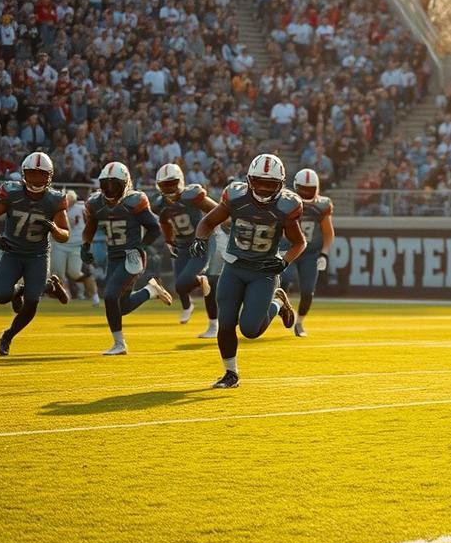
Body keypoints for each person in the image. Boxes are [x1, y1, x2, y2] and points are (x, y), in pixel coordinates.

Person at [191, 154, 305, 389]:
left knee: (250, 329)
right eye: (259, 182)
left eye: (269, 184)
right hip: (234, 266)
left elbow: (299, 242)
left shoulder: (286, 207)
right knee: (225, 323)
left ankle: (278, 303)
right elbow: (207, 222)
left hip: (263, 272)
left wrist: (283, 262)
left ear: (280, 184)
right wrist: (200, 239)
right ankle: (230, 374)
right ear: (250, 180)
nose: (263, 189)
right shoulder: (236, 198)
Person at [0, 153, 71, 355]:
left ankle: (7, 336)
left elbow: (65, 235)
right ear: (24, 174)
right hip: (13, 253)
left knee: (32, 301)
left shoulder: (55, 200)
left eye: (41, 175)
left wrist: (55, 229)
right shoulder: (12, 193)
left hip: (37, 256)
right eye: (32, 174)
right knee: (1, 295)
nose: (36, 180)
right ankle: (47, 286)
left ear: (49, 177)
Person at [83, 162, 172, 355]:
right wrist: (85, 245)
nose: (109, 189)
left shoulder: (134, 201)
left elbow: (154, 228)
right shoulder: (96, 203)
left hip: (132, 257)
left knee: (109, 295)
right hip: (114, 257)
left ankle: (119, 344)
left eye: (114, 185)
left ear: (125, 184)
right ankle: (151, 290)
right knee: (121, 307)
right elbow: (90, 226)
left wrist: (141, 246)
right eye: (106, 185)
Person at [152, 164, 218, 338]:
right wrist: (169, 241)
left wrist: (216, 230)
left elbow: (217, 210)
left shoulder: (192, 196)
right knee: (180, 286)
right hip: (182, 245)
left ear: (180, 181)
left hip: (200, 242)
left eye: (171, 183)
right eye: (164, 185)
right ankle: (189, 306)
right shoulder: (160, 205)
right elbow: (165, 223)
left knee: (186, 282)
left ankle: (213, 324)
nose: (168, 188)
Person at [279, 168, 334, 337]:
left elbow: (328, 232)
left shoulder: (322, 205)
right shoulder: (286, 200)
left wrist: (324, 253)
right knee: (285, 280)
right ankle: (283, 307)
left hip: (310, 253)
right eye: (303, 188)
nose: (306, 192)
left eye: (310, 189)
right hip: (290, 248)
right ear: (296, 186)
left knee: (308, 290)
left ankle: (300, 323)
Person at [50, 189, 99, 305]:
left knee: (75, 273)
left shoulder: (81, 207)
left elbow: (93, 213)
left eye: (70, 200)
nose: (68, 203)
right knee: (58, 273)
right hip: (60, 244)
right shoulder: (56, 208)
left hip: (76, 245)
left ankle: (94, 295)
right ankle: (65, 295)